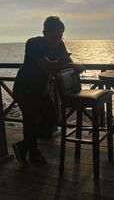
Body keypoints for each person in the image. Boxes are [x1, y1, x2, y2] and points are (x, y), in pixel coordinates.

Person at [12, 16, 85, 167]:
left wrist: (75, 65)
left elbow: (67, 62)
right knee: (30, 120)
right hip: (24, 88)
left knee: (51, 117)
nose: (57, 40)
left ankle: (24, 145)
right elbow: (47, 66)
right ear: (45, 32)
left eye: (60, 36)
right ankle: (33, 152)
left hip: (42, 89)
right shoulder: (33, 43)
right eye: (54, 36)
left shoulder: (59, 44)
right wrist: (65, 63)